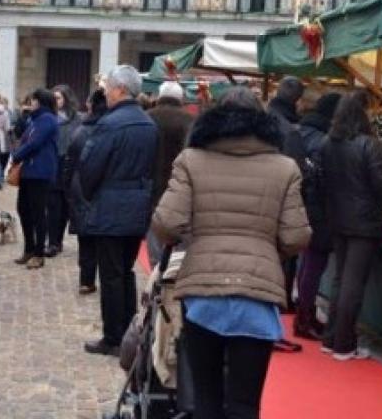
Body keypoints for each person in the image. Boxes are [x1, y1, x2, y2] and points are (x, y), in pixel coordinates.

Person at [152, 87, 310, 419]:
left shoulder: (191, 161)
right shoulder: (284, 168)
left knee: (205, 399)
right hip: (257, 292)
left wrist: (196, 234)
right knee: (245, 403)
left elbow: (167, 224)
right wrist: (265, 248)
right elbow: (296, 237)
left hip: (203, 293)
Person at [79, 65, 158, 356]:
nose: (105, 93)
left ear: (121, 90)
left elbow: (90, 166)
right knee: (125, 271)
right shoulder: (148, 124)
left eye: (108, 88)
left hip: (112, 203)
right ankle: (128, 331)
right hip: (137, 202)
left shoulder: (110, 124)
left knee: (112, 274)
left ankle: (114, 336)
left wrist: (90, 194)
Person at [321, 90, 382, 361]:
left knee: (341, 279)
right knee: (352, 283)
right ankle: (343, 343)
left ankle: (331, 338)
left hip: (338, 217)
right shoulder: (370, 145)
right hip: (364, 220)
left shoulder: (328, 143)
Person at [293, 92, 342, 340]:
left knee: (307, 261)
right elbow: (327, 180)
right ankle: (305, 317)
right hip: (318, 209)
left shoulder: (301, 131)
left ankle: (304, 313)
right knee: (314, 262)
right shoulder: (324, 140)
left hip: (302, 206)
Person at [63, 88, 108, 294]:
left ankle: (86, 279)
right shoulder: (110, 130)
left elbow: (69, 164)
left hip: (81, 187)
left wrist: (67, 188)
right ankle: (104, 279)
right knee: (105, 240)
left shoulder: (81, 131)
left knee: (86, 238)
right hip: (104, 189)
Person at [144, 80, 193, 266]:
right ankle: (173, 271)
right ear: (181, 98)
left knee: (154, 230)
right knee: (180, 234)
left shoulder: (146, 118)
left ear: (159, 96)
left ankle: (155, 269)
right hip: (181, 186)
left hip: (151, 185)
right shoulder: (190, 121)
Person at [11, 89, 59, 269]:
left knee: (38, 213)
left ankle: (39, 253)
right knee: (23, 209)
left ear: (40, 101)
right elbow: (23, 137)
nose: (30, 103)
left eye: (33, 100)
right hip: (29, 171)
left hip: (40, 172)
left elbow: (34, 143)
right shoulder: (34, 119)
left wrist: (17, 156)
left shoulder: (47, 120)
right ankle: (29, 248)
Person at [268, 76, 305, 312]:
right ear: (297, 101)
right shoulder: (289, 130)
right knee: (283, 252)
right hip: (279, 201)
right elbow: (296, 174)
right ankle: (279, 297)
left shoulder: (262, 120)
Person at [46, 84, 81, 257]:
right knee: (53, 205)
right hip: (53, 164)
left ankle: (58, 239)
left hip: (70, 165)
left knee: (66, 206)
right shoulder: (48, 117)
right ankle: (53, 242)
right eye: (53, 97)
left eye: (58, 97)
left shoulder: (77, 119)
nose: (56, 101)